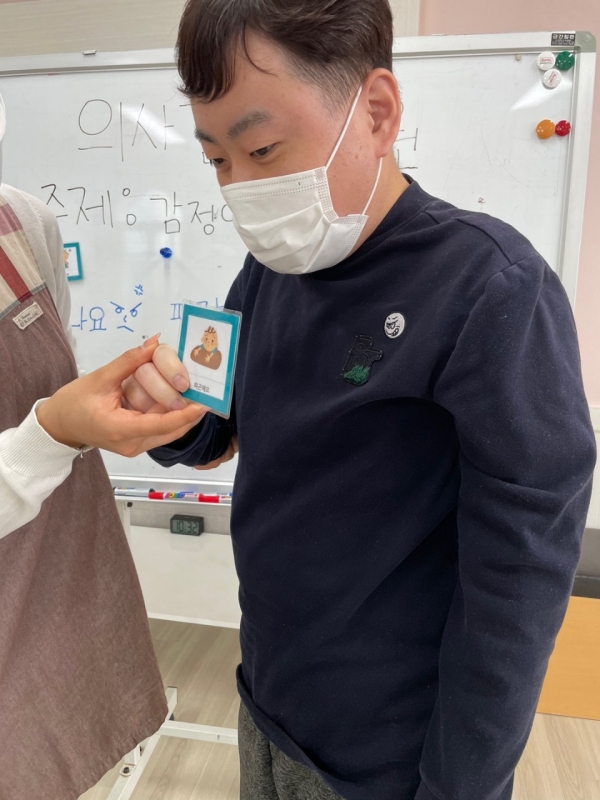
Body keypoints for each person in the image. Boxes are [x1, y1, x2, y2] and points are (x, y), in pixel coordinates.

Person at [124, 2, 597, 799]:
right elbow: (214, 427)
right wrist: (160, 414)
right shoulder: (273, 268)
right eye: (216, 159)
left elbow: (518, 586)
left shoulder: (490, 288)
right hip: (269, 699)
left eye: (262, 149)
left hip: (390, 759)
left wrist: (460, 787)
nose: (241, 189)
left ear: (376, 113)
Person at [0, 94, 206, 799]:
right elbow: (49, 426)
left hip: (63, 576)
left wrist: (112, 412)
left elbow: (57, 389)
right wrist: (53, 434)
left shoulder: (23, 223)